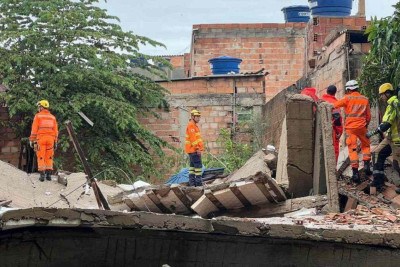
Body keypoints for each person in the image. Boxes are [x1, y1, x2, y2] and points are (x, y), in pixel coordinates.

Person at [333, 80, 371, 184]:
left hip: (351, 128)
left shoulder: (347, 98)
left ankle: (355, 173)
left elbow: (334, 105)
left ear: (349, 89)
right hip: (362, 126)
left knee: (353, 148)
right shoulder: (365, 99)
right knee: (366, 145)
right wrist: (365, 125)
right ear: (357, 88)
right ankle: (367, 165)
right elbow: (368, 116)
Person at [367, 83, 400, 191]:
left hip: (397, 140)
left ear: (387, 93)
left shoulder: (394, 103)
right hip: (390, 138)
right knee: (377, 152)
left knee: (397, 164)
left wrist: (372, 133)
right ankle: (378, 181)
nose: (381, 97)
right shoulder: (390, 104)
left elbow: (387, 124)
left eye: (382, 95)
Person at [29, 100, 58, 182]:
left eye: (39, 107)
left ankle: (42, 176)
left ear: (41, 107)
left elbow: (34, 130)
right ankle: (48, 175)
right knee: (49, 156)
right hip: (51, 139)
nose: (38, 108)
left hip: (41, 139)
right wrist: (55, 141)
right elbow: (56, 131)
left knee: (41, 156)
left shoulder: (38, 116)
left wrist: (32, 140)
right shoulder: (53, 117)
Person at [322, 85, 343, 162]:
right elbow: (337, 118)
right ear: (335, 93)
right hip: (331, 130)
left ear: (327, 91)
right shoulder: (335, 103)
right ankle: (332, 171)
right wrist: (339, 132)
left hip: (320, 129)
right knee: (334, 151)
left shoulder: (320, 101)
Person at [185, 109, 204, 187]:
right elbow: (193, 139)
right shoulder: (191, 125)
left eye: (199, 117)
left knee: (192, 168)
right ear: (192, 117)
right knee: (198, 167)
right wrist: (197, 149)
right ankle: (199, 184)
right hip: (194, 150)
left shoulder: (193, 125)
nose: (198, 118)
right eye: (197, 117)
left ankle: (192, 184)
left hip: (191, 150)